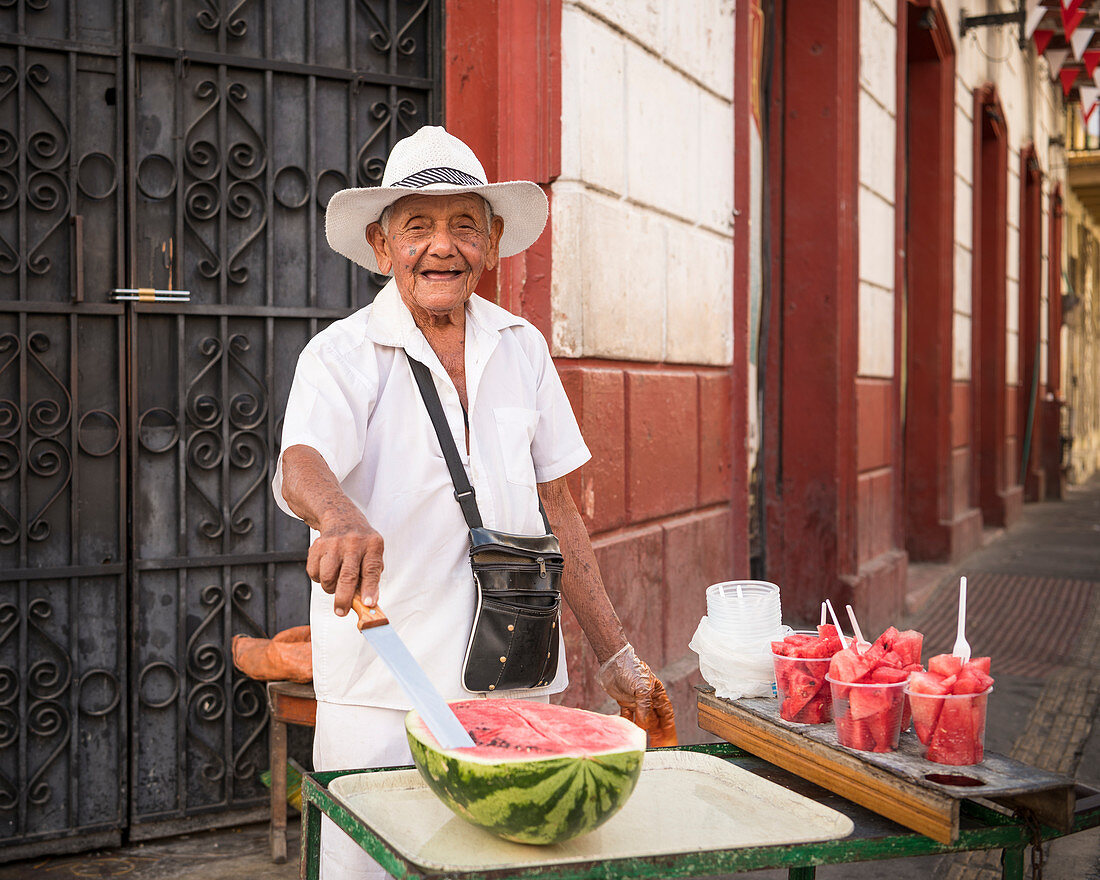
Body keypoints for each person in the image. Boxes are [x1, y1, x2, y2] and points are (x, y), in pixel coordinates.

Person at [273, 126, 675, 879]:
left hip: (518, 687)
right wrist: (340, 515)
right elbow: (302, 463)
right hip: (383, 695)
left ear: (491, 243)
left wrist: (617, 658)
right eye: (417, 226)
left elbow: (560, 508)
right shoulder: (341, 354)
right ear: (381, 243)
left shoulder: (522, 346)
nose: (441, 246)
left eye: (464, 225)